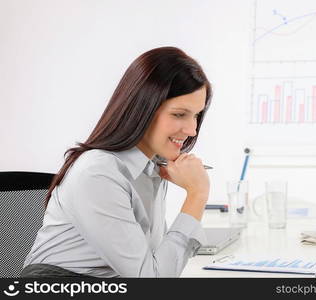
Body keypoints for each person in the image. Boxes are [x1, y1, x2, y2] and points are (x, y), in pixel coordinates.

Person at [21, 46, 212, 278]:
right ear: (143, 108)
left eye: (196, 115)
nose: (192, 130)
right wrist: (197, 195)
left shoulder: (153, 168)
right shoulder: (98, 173)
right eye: (179, 114)